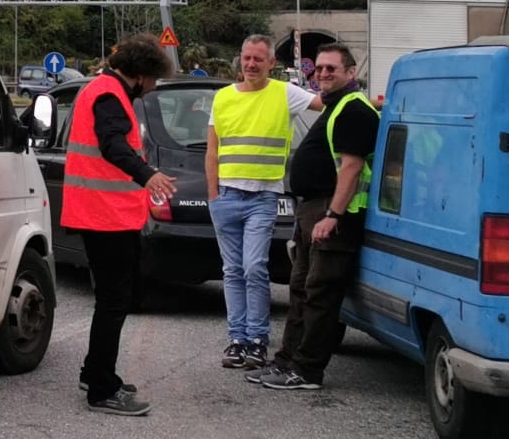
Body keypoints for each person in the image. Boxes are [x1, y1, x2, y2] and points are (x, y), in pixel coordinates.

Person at [61, 33, 179, 416]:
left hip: (104, 213)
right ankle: (101, 389)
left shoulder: (103, 89)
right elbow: (113, 146)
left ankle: (95, 372)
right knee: (114, 302)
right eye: (154, 79)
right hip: (104, 216)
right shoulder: (110, 96)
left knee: (114, 300)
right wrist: (148, 175)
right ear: (141, 74)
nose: (154, 87)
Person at [251, 43, 380, 392]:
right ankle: (286, 361)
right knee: (301, 289)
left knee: (320, 293)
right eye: (319, 68)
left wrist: (333, 215)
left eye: (331, 69)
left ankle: (307, 371)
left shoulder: (354, 109)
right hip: (313, 209)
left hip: (334, 213)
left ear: (351, 73)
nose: (322, 74)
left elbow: (351, 169)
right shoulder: (337, 106)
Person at [207, 35, 321, 370]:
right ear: (239, 59)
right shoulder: (223, 97)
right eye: (246, 58)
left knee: (254, 267)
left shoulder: (285, 92)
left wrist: (371, 104)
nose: (251, 64)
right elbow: (213, 151)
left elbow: (328, 104)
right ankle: (237, 340)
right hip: (226, 196)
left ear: (271, 63)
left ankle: (257, 339)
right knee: (232, 271)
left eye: (259, 59)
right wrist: (212, 195)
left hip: (263, 197)